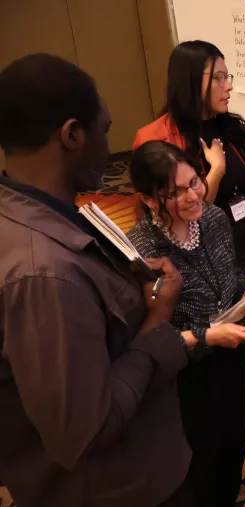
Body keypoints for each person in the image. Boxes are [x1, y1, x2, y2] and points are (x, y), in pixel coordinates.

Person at [0, 54, 195, 507]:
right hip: (118, 490)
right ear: (71, 134)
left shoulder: (34, 214)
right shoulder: (43, 274)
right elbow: (86, 433)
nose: (110, 150)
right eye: (104, 131)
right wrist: (157, 321)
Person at [133, 40, 245, 449]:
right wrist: (211, 173)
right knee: (206, 360)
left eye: (227, 75)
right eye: (218, 77)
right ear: (190, 82)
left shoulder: (227, 126)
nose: (228, 85)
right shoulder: (159, 138)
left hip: (235, 246)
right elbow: (183, 212)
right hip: (191, 261)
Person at [127, 141, 245, 506]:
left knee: (230, 449)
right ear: (149, 200)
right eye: (175, 193)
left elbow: (231, 273)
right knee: (197, 467)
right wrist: (206, 336)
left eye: (194, 181)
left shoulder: (212, 218)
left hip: (229, 353)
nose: (193, 195)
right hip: (183, 374)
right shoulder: (142, 253)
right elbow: (146, 339)